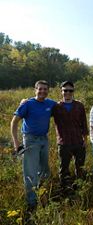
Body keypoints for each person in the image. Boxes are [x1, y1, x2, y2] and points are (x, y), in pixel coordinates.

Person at [10, 80, 56, 210]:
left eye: (45, 89)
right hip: (31, 140)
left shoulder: (50, 103)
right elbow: (14, 122)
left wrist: (78, 102)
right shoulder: (27, 104)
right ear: (35, 90)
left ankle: (42, 195)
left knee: (44, 171)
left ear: (48, 91)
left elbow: (62, 105)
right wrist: (16, 143)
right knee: (30, 173)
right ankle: (32, 204)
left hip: (44, 140)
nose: (42, 91)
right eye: (40, 89)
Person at [52, 81, 88, 191]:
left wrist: (85, 140)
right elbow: (40, 105)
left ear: (73, 92)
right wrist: (25, 101)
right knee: (64, 168)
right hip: (64, 143)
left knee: (80, 166)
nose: (67, 92)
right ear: (61, 91)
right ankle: (65, 188)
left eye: (70, 90)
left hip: (78, 141)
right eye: (65, 90)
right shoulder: (56, 106)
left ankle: (79, 187)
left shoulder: (79, 106)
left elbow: (84, 123)